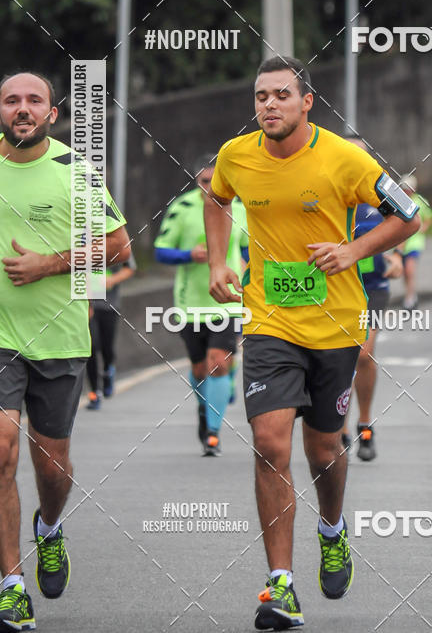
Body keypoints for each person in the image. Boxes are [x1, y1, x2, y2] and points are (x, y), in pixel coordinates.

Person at [204, 56, 421, 630]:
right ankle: (280, 585)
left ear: (307, 103)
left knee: (323, 450)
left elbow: (410, 215)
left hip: (336, 323)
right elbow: (216, 197)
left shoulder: (346, 158)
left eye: (281, 94)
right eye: (260, 96)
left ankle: (332, 530)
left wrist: (351, 251)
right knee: (270, 441)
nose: (268, 105)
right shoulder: (235, 155)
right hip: (270, 322)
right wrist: (222, 260)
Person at [0, 72, 130, 631]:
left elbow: (118, 245)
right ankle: (10, 584)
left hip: (59, 340)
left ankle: (49, 529)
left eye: (33, 101)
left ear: (51, 113)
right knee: (1, 450)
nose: (22, 109)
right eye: (11, 101)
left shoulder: (74, 171)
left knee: (51, 467)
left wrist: (48, 263)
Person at [154, 157, 247, 456]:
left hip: (228, 301)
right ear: (197, 181)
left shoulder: (241, 209)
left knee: (217, 361)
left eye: (215, 181)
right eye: (204, 181)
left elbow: (251, 250)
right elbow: (160, 251)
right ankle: (209, 402)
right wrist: (187, 255)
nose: (210, 188)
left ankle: (212, 431)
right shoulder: (182, 208)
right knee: (199, 368)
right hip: (190, 303)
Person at [341, 137, 404, 462]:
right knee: (335, 356)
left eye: (361, 155)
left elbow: (407, 221)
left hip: (372, 286)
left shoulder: (382, 187)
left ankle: (365, 423)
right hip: (334, 283)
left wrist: (396, 257)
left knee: (363, 354)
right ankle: (337, 425)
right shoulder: (325, 185)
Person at [85, 252, 137, 410]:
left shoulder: (114, 235)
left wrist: (112, 280)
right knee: (91, 347)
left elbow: (130, 268)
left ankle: (108, 370)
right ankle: (94, 393)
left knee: (107, 347)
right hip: (87, 304)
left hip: (109, 304)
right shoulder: (78, 235)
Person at [396, 175, 432, 310]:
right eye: (404, 188)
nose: (406, 191)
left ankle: (409, 298)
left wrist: (423, 228)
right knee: (404, 272)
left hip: (415, 242)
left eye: (409, 188)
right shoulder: (398, 201)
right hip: (401, 242)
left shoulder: (421, 201)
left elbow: (428, 218)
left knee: (409, 269)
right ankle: (410, 294)